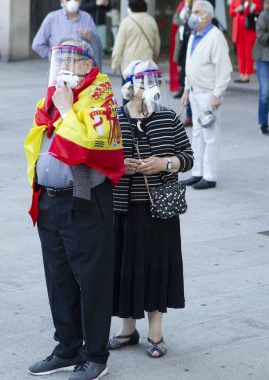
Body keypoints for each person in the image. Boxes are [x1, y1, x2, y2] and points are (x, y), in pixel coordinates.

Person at [24, 38, 124, 380]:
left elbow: (88, 146)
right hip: (50, 201)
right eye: (59, 59)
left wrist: (67, 109)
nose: (64, 65)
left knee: (91, 281)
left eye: (72, 59)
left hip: (84, 202)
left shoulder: (100, 96)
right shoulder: (55, 95)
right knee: (59, 279)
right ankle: (66, 347)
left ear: (87, 64)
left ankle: (95, 356)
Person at [108, 60, 194, 359]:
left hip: (160, 207)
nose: (151, 87)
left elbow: (187, 157)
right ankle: (127, 329)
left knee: (158, 264)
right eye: (145, 81)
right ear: (129, 86)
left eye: (154, 80)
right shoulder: (114, 118)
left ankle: (155, 334)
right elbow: (101, 161)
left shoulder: (168, 117)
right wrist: (121, 167)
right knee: (124, 264)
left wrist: (164, 164)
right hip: (123, 206)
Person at [180, 0, 232, 190]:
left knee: (210, 135)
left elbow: (224, 69)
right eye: (192, 11)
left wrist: (217, 94)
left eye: (196, 11)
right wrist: (186, 89)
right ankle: (197, 172)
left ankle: (210, 176)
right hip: (195, 92)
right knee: (197, 135)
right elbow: (189, 65)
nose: (192, 15)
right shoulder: (194, 34)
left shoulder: (215, 36)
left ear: (207, 16)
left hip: (209, 94)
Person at [32, 0, 103, 70]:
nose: (72, 2)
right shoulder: (52, 18)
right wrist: (54, 56)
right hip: (59, 71)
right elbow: (37, 44)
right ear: (61, 1)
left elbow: (98, 44)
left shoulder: (87, 17)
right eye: (68, 0)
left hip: (82, 71)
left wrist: (90, 36)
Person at [111, 0, 160, 76]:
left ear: (130, 7)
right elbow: (157, 43)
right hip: (146, 63)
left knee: (128, 87)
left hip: (129, 66)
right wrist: (155, 56)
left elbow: (119, 45)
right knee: (145, 86)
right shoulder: (151, 20)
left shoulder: (126, 22)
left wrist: (114, 64)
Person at [229, 0, 262, 83]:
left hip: (248, 27)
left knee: (248, 51)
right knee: (240, 52)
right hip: (238, 27)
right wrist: (237, 10)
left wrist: (251, 4)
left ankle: (247, 74)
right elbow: (231, 12)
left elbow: (258, 9)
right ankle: (242, 73)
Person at [252, 0, 269, 135]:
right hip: (263, 58)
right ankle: (263, 123)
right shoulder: (264, 16)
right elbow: (261, 36)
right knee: (265, 92)